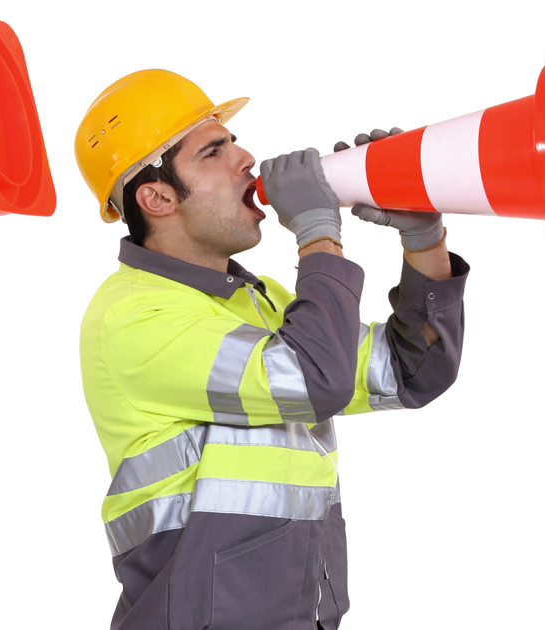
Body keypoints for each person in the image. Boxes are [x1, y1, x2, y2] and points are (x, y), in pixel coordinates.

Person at [74, 70, 469, 629]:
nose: (246, 159)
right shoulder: (135, 316)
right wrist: (317, 232)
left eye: (234, 141)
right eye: (214, 151)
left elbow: (412, 370)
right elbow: (313, 380)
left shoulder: (257, 304)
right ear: (157, 196)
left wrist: (425, 239)